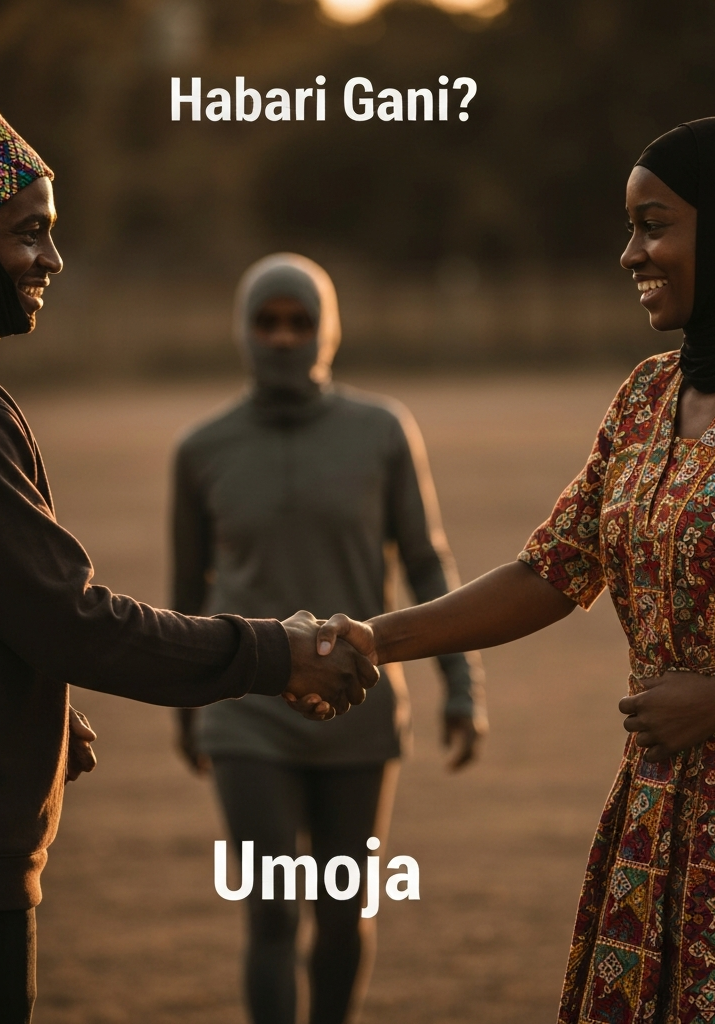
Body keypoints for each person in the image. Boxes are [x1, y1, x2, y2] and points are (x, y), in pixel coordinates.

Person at [0, 95, 376, 1024]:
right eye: (26, 233)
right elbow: (74, 620)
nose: (53, 259)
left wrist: (30, 707)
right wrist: (278, 651)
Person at [315, 117, 715, 1022]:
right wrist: (372, 637)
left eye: (654, 224)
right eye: (630, 226)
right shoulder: (647, 395)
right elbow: (552, 572)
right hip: (657, 808)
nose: (629, 251)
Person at [171, 253, 486, 1024]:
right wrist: (186, 709)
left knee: (344, 913)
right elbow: (186, 593)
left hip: (362, 707)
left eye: (300, 321)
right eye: (267, 322)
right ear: (243, 330)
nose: (283, 337)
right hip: (245, 712)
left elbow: (425, 564)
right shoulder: (201, 449)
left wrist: (462, 684)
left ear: (328, 331)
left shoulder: (380, 431)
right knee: (273, 911)